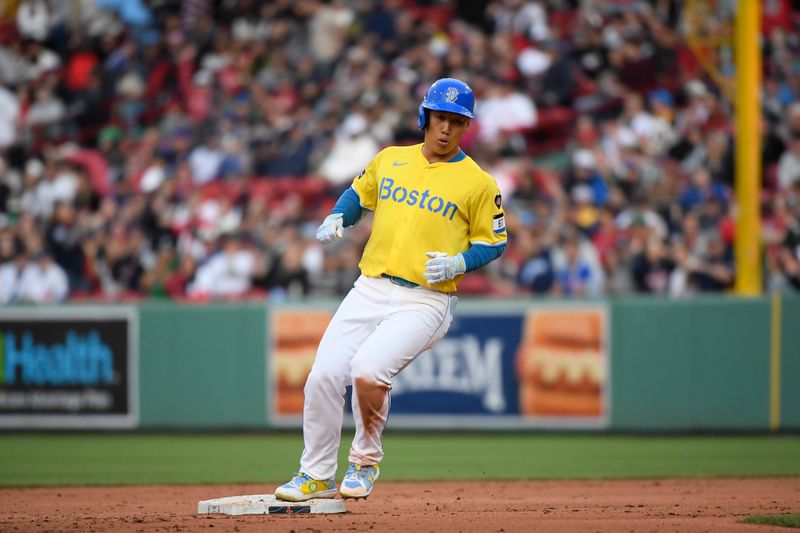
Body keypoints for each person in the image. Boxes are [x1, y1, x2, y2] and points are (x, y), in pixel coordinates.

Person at [274, 78, 508, 501]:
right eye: (440, 118)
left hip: (425, 299)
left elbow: (494, 241)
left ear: (465, 127)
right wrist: (337, 218)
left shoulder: (478, 182)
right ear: (425, 116)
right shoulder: (390, 159)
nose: (446, 129)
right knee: (323, 376)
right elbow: (357, 195)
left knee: (367, 370)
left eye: (457, 122)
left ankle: (364, 462)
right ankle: (315, 474)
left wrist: (461, 262)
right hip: (370, 286)